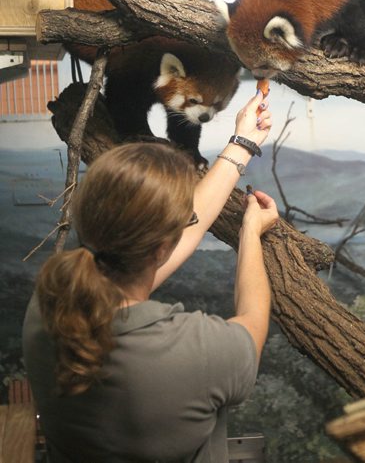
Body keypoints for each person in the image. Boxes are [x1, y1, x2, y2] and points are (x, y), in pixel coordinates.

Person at [22, 88, 278, 463]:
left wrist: (241, 144)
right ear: (161, 249)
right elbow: (254, 319)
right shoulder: (197, 352)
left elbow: (182, 231)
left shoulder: (45, 311)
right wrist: (250, 233)